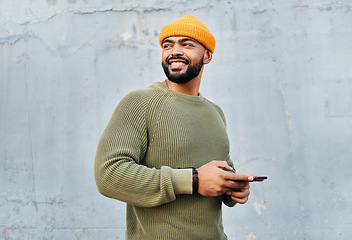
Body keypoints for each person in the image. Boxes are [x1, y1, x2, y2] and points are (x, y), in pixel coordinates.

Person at [94, 15, 255, 240]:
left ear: (207, 55)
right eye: (167, 45)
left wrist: (232, 188)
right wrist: (194, 180)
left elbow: (220, 172)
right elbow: (108, 174)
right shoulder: (140, 102)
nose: (174, 51)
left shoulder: (215, 112)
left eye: (187, 44)